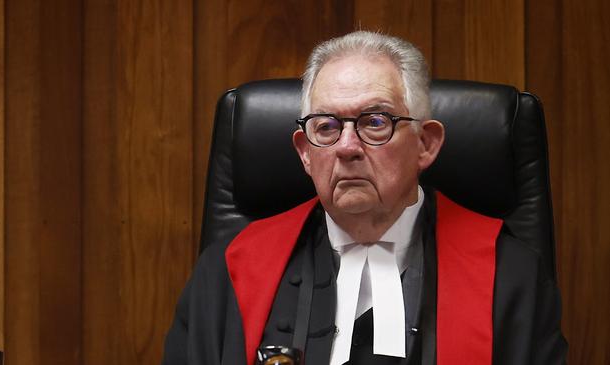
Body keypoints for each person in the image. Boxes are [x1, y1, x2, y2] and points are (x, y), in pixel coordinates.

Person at [161, 31, 567, 365]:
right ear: (305, 152)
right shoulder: (228, 272)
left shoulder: (511, 276)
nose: (347, 147)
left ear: (426, 144)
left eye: (375, 122)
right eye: (326, 127)